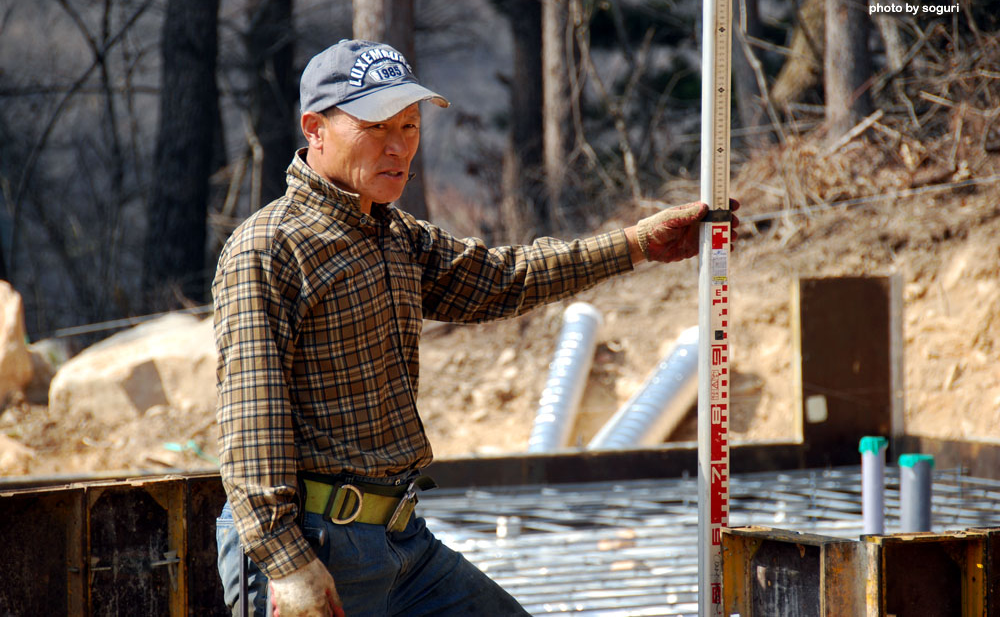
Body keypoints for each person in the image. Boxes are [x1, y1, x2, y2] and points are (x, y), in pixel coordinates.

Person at [213, 38, 738, 617]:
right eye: (377, 127)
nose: (399, 147)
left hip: (402, 540)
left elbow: (504, 279)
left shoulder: (394, 235)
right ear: (315, 128)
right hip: (315, 548)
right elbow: (251, 421)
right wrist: (286, 564)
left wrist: (636, 245)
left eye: (409, 127)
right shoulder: (269, 247)